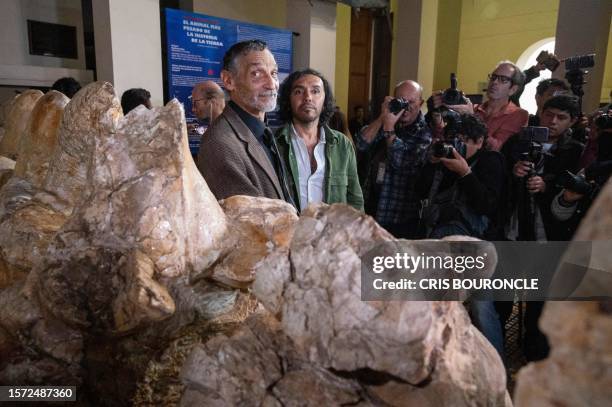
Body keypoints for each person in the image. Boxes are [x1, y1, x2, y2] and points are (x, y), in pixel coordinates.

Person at [501, 94, 584, 362]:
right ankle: (496, 348)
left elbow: (576, 187)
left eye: (561, 118)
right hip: (513, 229)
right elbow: (498, 175)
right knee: (502, 295)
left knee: (540, 301)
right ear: (541, 112)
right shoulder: (518, 141)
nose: (553, 122)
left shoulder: (575, 150)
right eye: (549, 115)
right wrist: (514, 172)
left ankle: (532, 357)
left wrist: (547, 186)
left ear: (571, 121)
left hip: (549, 235)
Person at [416, 113, 506, 358]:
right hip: (438, 241)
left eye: (464, 139)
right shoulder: (443, 161)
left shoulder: (490, 161)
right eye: (453, 138)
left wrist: (466, 173)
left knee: (481, 307)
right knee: (432, 304)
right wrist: (432, 163)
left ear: (479, 141)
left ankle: (495, 366)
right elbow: (421, 192)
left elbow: (487, 205)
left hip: (475, 245)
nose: (457, 144)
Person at [196, 40, 292, 203]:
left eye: (273, 73)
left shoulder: (264, 131)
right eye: (256, 73)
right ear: (228, 81)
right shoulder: (219, 143)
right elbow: (249, 223)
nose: (271, 84)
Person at [275, 69, 363, 212]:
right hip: (289, 232)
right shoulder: (274, 143)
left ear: (325, 100)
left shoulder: (342, 144)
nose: (308, 97)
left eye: (315, 91)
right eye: (298, 91)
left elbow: (355, 199)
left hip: (332, 232)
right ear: (288, 100)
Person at [356, 80, 432, 238]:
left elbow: (401, 163)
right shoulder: (387, 120)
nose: (406, 107)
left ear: (421, 102)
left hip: (401, 218)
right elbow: (361, 144)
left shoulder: (425, 132)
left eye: (411, 101)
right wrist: (383, 117)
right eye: (402, 101)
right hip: (372, 211)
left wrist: (389, 129)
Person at [432, 61, 528, 151]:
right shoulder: (474, 108)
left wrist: (472, 118)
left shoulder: (518, 114)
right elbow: (447, 140)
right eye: (493, 77)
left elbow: (497, 148)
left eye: (503, 80)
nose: (494, 82)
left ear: (513, 89)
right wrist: (437, 115)